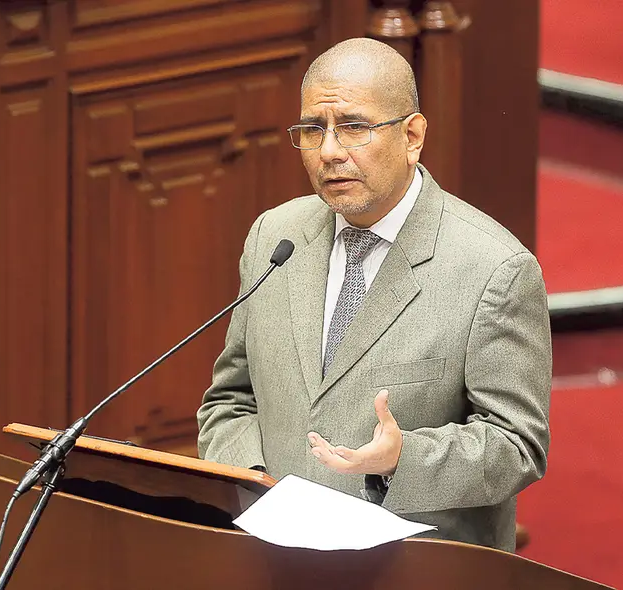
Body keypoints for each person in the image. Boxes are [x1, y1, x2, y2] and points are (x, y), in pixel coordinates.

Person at [196, 37, 551, 552]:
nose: (330, 151)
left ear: (412, 136)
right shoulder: (275, 237)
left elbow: (518, 444)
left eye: (355, 128)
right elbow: (230, 399)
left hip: (415, 568)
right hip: (272, 558)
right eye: (313, 130)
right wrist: (256, 485)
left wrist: (401, 458)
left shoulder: (494, 269)